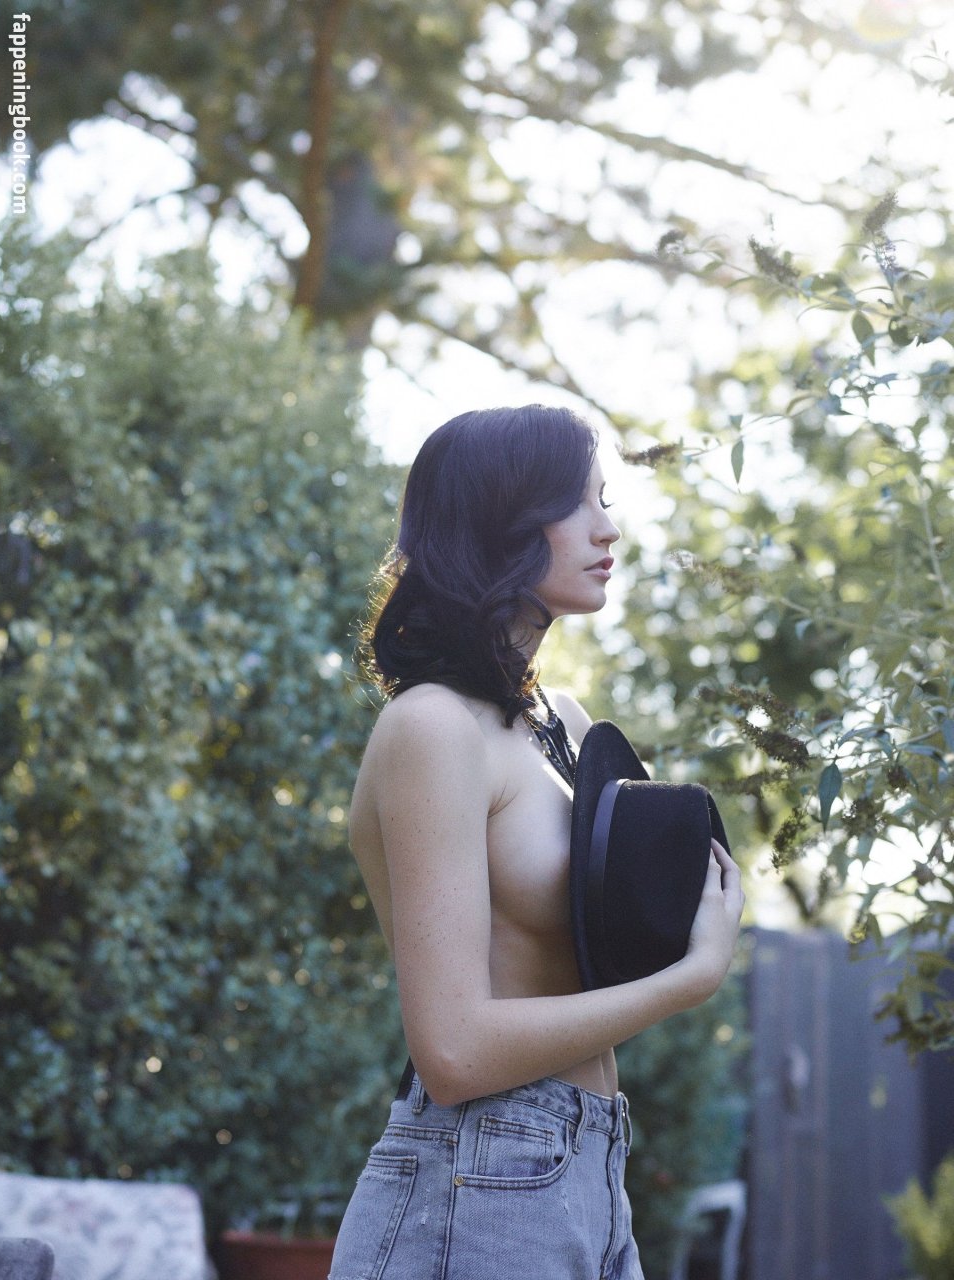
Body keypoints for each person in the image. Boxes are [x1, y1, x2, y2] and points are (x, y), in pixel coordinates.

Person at [328, 404, 744, 1280]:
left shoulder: (564, 725)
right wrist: (688, 981)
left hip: (588, 1168)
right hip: (476, 1177)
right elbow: (452, 1052)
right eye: (575, 503)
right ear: (500, 522)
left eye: (605, 500)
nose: (607, 529)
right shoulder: (432, 727)